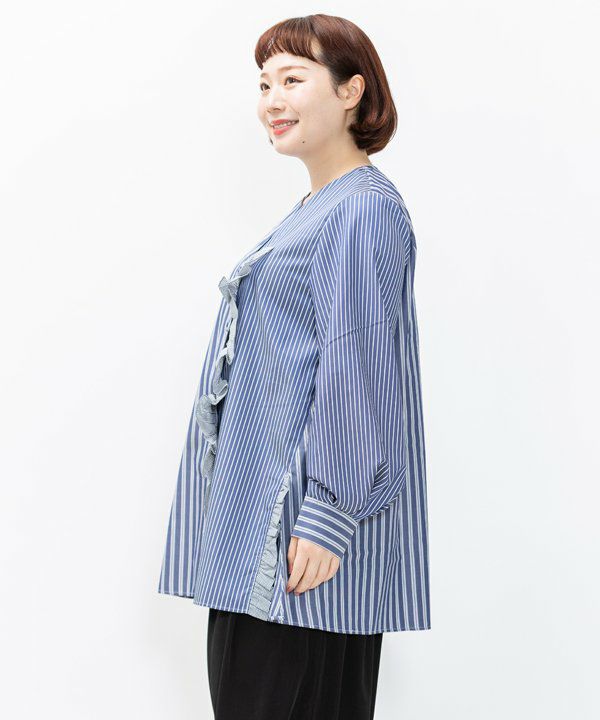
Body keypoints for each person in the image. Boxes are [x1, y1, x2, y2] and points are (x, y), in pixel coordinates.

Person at [158, 13, 431, 719]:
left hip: (298, 548)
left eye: (292, 79)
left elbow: (360, 369)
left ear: (350, 92)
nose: (271, 100)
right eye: (263, 84)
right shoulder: (318, 207)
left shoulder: (362, 212)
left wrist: (329, 515)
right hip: (263, 537)